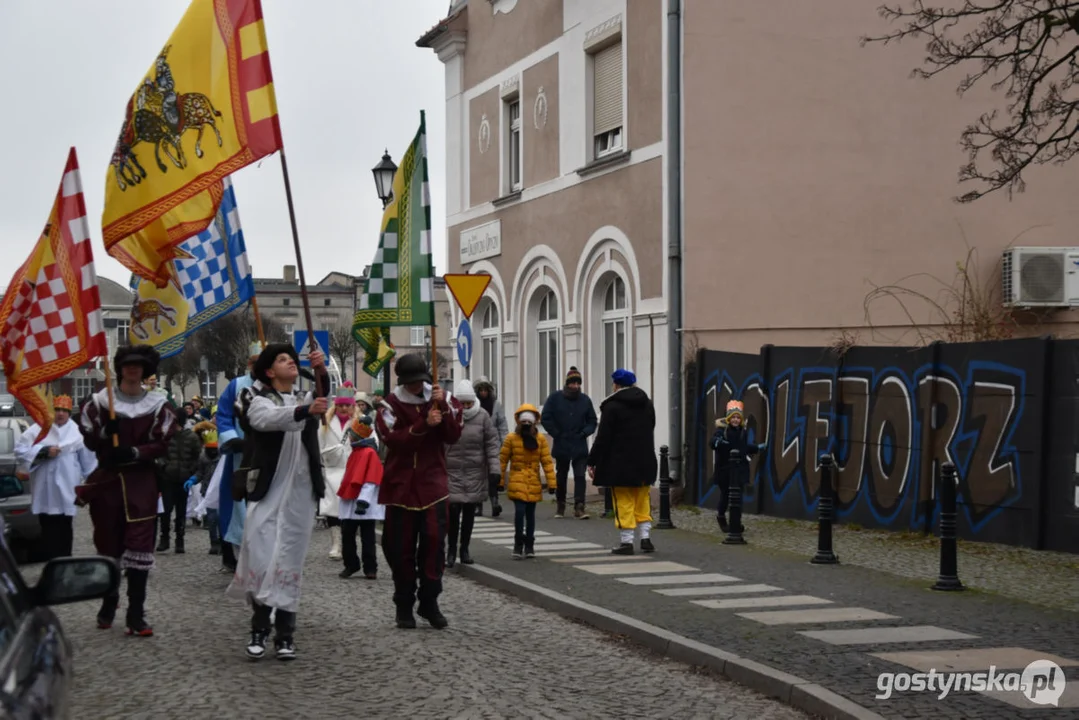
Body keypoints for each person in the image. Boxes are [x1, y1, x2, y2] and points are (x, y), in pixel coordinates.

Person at [226, 344, 329, 661]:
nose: (291, 363)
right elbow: (267, 420)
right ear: (270, 371)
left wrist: (321, 370)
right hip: (268, 492)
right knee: (263, 559)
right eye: (283, 360)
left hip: (299, 494)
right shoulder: (258, 402)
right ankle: (259, 628)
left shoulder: (305, 399)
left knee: (289, 562)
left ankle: (285, 635)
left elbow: (322, 396)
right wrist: (303, 412)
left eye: (293, 359)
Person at [77, 345, 177, 636]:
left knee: (140, 544)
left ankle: (136, 614)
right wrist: (106, 432)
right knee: (109, 545)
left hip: (141, 484)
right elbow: (90, 440)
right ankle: (109, 603)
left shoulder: (158, 405)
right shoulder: (99, 402)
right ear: (119, 369)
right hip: (108, 483)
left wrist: (135, 451)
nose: (133, 370)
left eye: (138, 366)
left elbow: (162, 443)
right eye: (128, 365)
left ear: (145, 371)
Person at [375, 353, 462, 630]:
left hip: (433, 485)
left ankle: (429, 601)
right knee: (399, 548)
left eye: (419, 382)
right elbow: (394, 441)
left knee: (435, 545)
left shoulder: (443, 399)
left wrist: (444, 412)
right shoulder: (388, 405)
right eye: (411, 383)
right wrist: (424, 423)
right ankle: (403, 603)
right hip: (401, 487)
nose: (416, 388)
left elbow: (453, 436)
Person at [15, 395, 97, 560]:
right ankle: (51, 561)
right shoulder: (39, 429)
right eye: (57, 410)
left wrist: (92, 485)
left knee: (65, 526)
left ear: (69, 412)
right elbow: (20, 451)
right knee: (47, 525)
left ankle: (65, 559)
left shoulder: (77, 432)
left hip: (67, 488)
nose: (60, 414)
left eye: (64, 411)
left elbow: (89, 462)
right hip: (44, 488)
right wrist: (43, 452)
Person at [587, 369, 658, 556]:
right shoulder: (647, 404)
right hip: (645, 461)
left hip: (620, 464)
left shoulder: (612, 407)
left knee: (624, 502)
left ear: (616, 385)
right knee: (643, 500)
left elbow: (603, 437)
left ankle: (627, 541)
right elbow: (651, 427)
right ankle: (645, 538)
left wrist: (592, 460)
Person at [211, 342, 263, 573]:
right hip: (240, 456)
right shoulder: (236, 386)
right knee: (236, 506)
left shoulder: (278, 387)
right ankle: (234, 554)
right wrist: (232, 439)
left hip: (268, 455)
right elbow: (223, 415)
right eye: (254, 363)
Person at [445, 380, 501, 568]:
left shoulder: (482, 416)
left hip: (474, 470)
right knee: (453, 513)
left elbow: (491, 443)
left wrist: (495, 468)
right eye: (462, 403)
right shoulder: (448, 416)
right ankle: (451, 549)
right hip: (451, 470)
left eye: (468, 403)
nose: (466, 407)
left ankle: (465, 548)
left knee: (469, 512)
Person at [540, 366, 598, 519]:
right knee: (561, 475)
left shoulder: (585, 400)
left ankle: (580, 507)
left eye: (578, 383)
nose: (576, 386)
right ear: (567, 384)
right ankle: (560, 505)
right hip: (562, 442)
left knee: (580, 475)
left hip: (579, 443)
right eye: (573, 383)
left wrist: (585, 432)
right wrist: (556, 433)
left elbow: (592, 420)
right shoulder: (555, 398)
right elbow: (545, 417)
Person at [499, 404, 556, 559]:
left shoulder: (540, 439)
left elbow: (547, 462)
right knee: (519, 513)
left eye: (528, 422)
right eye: (523, 422)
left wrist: (552, 483)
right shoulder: (511, 438)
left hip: (533, 481)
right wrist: (499, 480)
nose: (526, 425)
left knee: (530, 515)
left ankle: (529, 545)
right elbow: (502, 460)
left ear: (533, 422)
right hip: (517, 479)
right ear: (519, 422)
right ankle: (518, 544)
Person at [337, 415, 383, 579]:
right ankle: (351, 564)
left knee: (368, 538)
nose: (349, 437)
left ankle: (370, 568)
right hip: (351, 502)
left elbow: (371, 479)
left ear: (355, 436)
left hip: (364, 506)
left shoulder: (369, 453)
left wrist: (363, 501)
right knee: (347, 536)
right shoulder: (356, 452)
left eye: (350, 434)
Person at [711, 400, 766, 533]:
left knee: (738, 497)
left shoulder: (742, 432)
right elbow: (713, 442)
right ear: (729, 419)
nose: (735, 420)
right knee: (725, 495)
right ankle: (721, 517)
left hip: (739, 469)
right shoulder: (722, 431)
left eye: (738, 417)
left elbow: (743, 447)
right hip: (725, 470)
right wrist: (718, 442)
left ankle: (736, 521)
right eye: (733, 417)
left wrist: (755, 448)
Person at [157, 407, 202, 553]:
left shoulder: (192, 437)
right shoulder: (166, 436)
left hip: (183, 479)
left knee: (181, 512)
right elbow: (159, 453)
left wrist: (190, 471)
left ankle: (180, 540)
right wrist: (164, 466)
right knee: (165, 511)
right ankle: (164, 538)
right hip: (168, 478)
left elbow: (197, 457)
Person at [318, 384, 355, 560]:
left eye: (347, 405)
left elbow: (373, 443)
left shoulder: (358, 422)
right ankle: (336, 543)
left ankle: (347, 544)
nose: (344, 408)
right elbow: (319, 443)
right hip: (332, 469)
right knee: (332, 509)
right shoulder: (325, 422)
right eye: (341, 405)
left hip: (352, 470)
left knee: (348, 509)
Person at [473, 378, 507, 516]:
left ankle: (495, 502)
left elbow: (502, 424)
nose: (483, 393)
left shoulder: (496, 405)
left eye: (485, 390)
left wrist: (504, 441)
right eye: (481, 390)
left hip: (493, 444)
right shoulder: (474, 405)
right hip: (477, 445)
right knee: (478, 476)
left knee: (493, 475)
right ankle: (478, 505)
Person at [189, 430, 221, 554]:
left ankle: (224, 543)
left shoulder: (223, 457)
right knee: (212, 519)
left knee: (221, 519)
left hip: (221, 491)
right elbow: (200, 472)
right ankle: (214, 543)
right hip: (208, 492)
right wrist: (193, 479)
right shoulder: (202, 457)